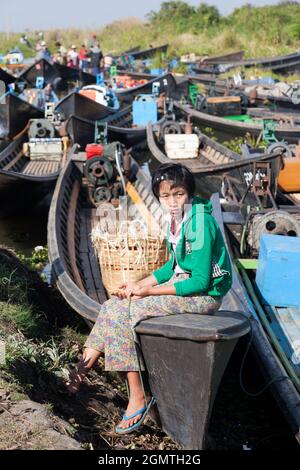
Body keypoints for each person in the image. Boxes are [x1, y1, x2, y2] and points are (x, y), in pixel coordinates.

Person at [63, 163, 232, 434]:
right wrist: (137, 284)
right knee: (112, 305)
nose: (172, 202)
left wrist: (147, 292)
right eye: (165, 196)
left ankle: (138, 396)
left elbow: (199, 281)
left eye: (178, 194)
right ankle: (81, 372)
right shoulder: (178, 220)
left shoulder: (200, 222)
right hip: (183, 286)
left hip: (203, 295)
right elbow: (171, 267)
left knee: (122, 312)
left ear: (189, 193)